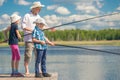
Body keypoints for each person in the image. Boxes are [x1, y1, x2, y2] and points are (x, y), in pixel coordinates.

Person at [21, 1, 47, 75]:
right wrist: (33, 30)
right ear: (34, 8)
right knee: (28, 55)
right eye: (39, 8)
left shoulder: (38, 17)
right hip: (29, 39)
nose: (40, 10)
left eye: (40, 8)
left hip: (38, 40)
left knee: (38, 55)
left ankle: (38, 70)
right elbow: (23, 27)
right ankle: (26, 69)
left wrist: (50, 28)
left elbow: (42, 26)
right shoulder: (27, 15)